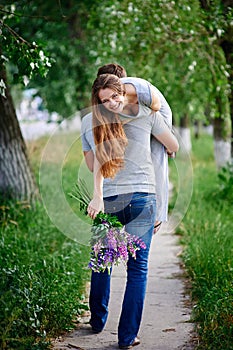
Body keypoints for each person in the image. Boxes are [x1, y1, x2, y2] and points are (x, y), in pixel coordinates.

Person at [86, 74, 179, 349]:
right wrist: (163, 145)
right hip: (140, 200)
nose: (112, 103)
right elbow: (173, 145)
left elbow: (98, 167)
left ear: (123, 92)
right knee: (136, 269)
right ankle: (126, 337)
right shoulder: (147, 117)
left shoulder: (100, 123)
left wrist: (97, 196)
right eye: (106, 100)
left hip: (115, 202)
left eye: (115, 96)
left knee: (104, 260)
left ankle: (99, 320)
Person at [81, 63, 173, 231]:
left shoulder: (139, 93)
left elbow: (156, 107)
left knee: (156, 162)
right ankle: (156, 217)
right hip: (140, 193)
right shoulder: (128, 107)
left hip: (111, 194)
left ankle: (157, 217)